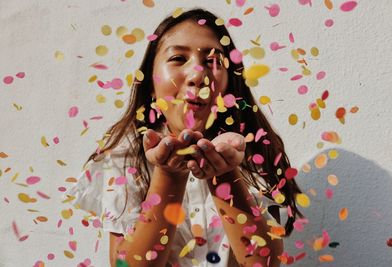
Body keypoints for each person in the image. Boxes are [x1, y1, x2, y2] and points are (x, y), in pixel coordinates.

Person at [66, 8, 303, 267]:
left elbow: (265, 263)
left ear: (230, 84)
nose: (198, 75)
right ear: (150, 85)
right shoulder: (125, 158)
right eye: (178, 58)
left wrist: (225, 175)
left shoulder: (253, 149)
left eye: (214, 61)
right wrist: (169, 175)